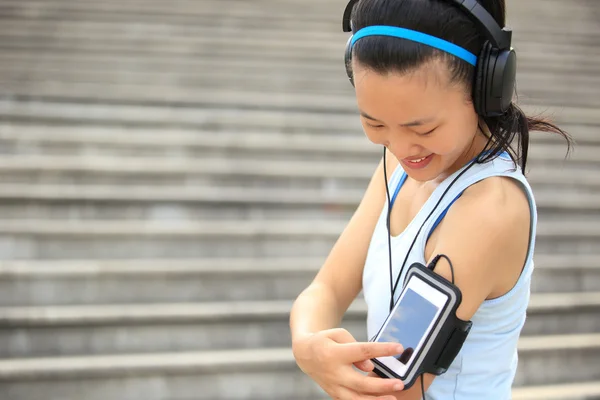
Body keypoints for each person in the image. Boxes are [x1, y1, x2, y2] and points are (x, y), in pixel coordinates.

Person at [289, 0, 572, 399]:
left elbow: (391, 388)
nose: (402, 148)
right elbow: (327, 290)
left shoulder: (487, 210)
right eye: (375, 123)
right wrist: (307, 344)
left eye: (421, 127)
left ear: (486, 88)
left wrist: (320, 358)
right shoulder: (398, 162)